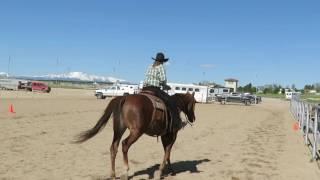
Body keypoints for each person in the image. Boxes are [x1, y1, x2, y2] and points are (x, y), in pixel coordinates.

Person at [143, 52, 182, 130]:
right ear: (162, 61)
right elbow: (163, 79)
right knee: (171, 101)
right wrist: (165, 86)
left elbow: (146, 76)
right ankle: (175, 122)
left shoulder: (150, 66)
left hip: (144, 88)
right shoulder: (161, 67)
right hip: (154, 89)